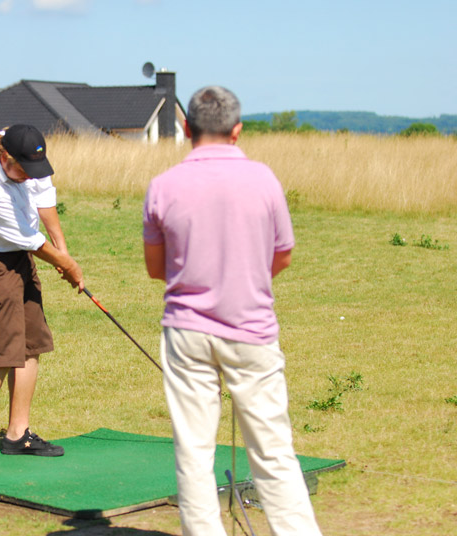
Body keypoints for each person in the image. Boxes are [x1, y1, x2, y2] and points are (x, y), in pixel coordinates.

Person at [143, 86, 323, 535]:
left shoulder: (163, 185)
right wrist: (242, 280)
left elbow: (155, 268)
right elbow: (282, 255)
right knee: (274, 451)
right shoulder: (264, 179)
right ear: (237, 131)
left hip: (186, 331)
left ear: (187, 128)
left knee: (194, 451)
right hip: (252, 328)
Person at [0, 124, 84, 469]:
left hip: (17, 252)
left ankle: (18, 433)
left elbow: (43, 196)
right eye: (22, 171)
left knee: (29, 342)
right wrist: (67, 266)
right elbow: (29, 238)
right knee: (1, 351)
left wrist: (63, 249)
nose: (29, 176)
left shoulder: (22, 146)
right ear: (3, 156)